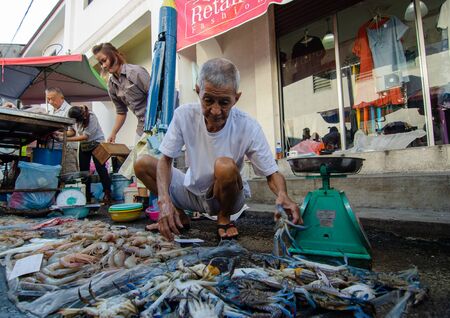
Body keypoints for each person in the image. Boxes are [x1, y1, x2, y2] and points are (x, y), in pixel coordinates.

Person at [134, 58, 301, 241]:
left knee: (225, 166)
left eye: (224, 102)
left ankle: (224, 217)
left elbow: (271, 173)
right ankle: (179, 215)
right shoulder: (184, 115)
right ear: (198, 92)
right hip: (193, 192)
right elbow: (165, 161)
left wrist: (283, 195)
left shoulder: (248, 126)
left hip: (227, 197)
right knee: (142, 163)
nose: (215, 110)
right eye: (208, 100)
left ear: (236, 99)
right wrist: (164, 201)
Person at [92, 42, 150, 143]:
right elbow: (121, 112)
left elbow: (157, 97)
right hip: (142, 125)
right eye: (101, 63)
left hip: (156, 121)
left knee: (146, 157)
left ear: (115, 54)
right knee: (136, 157)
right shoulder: (111, 86)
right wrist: (113, 133)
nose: (104, 66)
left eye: (104, 60)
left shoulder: (135, 72)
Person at [66, 106, 112, 204]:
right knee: (84, 171)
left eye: (77, 122)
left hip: (97, 143)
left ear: (80, 118)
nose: (76, 124)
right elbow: (72, 132)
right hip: (84, 146)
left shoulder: (91, 116)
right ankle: (86, 196)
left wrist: (65, 139)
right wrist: (61, 134)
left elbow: (85, 136)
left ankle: (108, 194)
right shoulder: (72, 116)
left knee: (101, 168)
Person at [45, 87, 78, 174]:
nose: (50, 102)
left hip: (67, 149)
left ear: (62, 98)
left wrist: (59, 134)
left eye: (53, 99)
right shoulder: (50, 111)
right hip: (53, 148)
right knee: (54, 175)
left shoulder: (70, 110)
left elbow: (73, 132)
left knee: (68, 175)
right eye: (48, 99)